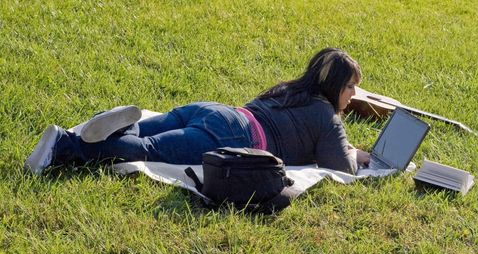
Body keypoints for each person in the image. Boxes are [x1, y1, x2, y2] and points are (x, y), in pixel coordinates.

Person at [24, 47, 370, 175]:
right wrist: (358, 154)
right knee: (149, 151)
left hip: (213, 111)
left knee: (143, 131)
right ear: (335, 86)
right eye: (351, 86)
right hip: (233, 136)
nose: (354, 95)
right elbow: (340, 168)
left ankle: (118, 125)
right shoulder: (326, 117)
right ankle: (64, 145)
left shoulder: (288, 89)